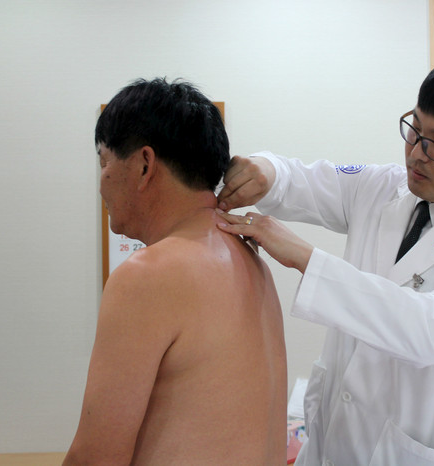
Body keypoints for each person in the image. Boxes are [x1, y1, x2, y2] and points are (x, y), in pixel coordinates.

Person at [215, 50, 434, 465]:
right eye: (414, 129)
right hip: (328, 448)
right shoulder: (381, 188)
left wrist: (306, 258)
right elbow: (300, 179)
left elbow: (429, 331)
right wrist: (265, 171)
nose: (417, 153)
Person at [64, 78, 287, 465]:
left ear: (144, 165)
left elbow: (95, 458)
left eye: (104, 162)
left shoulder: (149, 275)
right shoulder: (253, 263)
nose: (101, 183)